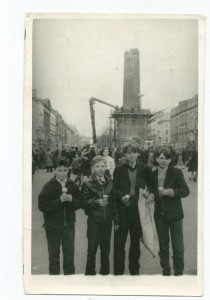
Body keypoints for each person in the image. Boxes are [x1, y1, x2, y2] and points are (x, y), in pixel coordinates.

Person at [113, 142, 154, 275]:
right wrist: (121, 197)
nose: (131, 155)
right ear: (125, 154)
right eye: (128, 152)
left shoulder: (145, 168)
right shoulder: (119, 169)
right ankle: (118, 272)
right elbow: (114, 188)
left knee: (135, 243)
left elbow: (151, 186)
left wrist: (149, 193)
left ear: (138, 153)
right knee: (119, 243)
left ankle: (134, 271)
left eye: (134, 152)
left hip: (138, 210)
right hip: (122, 209)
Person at [38, 157, 81, 275]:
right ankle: (54, 284)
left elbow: (79, 203)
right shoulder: (49, 186)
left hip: (69, 226)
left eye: (65, 170)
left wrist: (72, 200)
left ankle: (69, 284)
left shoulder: (72, 185)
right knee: (54, 258)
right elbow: (42, 206)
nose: (62, 173)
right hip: (53, 227)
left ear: (68, 170)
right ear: (55, 170)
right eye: (59, 170)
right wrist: (59, 201)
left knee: (69, 257)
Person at [152, 147, 190, 276]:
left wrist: (170, 192)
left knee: (178, 246)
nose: (164, 161)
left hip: (175, 215)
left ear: (170, 159)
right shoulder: (152, 173)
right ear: (156, 158)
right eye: (161, 158)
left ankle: (178, 273)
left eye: (167, 158)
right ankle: (166, 271)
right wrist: (149, 195)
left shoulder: (176, 172)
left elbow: (185, 191)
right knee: (163, 246)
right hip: (160, 214)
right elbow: (150, 192)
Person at [81, 156, 115, 275]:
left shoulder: (110, 182)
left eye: (102, 166)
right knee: (92, 249)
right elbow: (83, 202)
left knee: (105, 250)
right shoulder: (87, 183)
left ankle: (104, 275)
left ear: (106, 167)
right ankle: (90, 275)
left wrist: (115, 218)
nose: (100, 169)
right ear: (93, 168)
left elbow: (114, 201)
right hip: (94, 221)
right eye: (97, 166)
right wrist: (96, 202)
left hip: (107, 220)